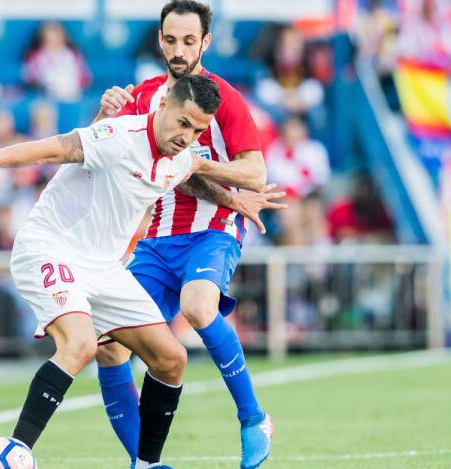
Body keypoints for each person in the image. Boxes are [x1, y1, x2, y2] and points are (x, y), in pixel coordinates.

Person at [0, 75, 282, 469]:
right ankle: (17, 450)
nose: (188, 136)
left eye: (198, 130)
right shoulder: (119, 136)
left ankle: (146, 464)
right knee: (82, 344)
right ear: (164, 102)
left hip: (103, 267)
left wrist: (235, 203)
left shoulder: (179, 158)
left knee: (171, 359)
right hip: (52, 247)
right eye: (183, 123)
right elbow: (53, 149)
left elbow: (189, 183)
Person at [93, 2, 276, 468]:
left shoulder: (225, 98)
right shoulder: (142, 98)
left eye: (188, 40)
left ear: (205, 42)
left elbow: (255, 173)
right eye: (170, 40)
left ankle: (253, 418)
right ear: (160, 38)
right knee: (109, 343)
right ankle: (145, 462)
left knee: (197, 307)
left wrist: (198, 163)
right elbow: (102, 157)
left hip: (212, 231)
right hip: (155, 240)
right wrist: (103, 116)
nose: (178, 50)